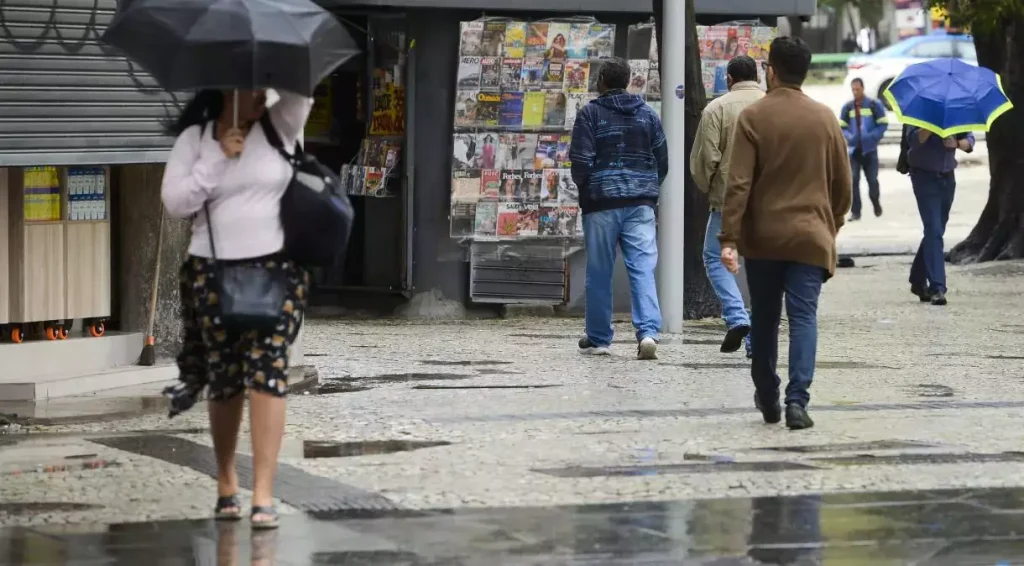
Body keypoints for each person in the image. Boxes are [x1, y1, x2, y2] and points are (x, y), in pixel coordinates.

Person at [160, 88, 313, 529]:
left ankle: (263, 491)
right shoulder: (197, 137)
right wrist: (217, 158)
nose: (256, 96)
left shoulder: (281, 125)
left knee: (269, 371)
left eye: (261, 86)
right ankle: (226, 478)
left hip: (276, 270)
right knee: (226, 377)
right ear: (223, 89)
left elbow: (302, 90)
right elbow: (175, 204)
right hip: (212, 273)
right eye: (246, 87)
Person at [720, 37, 852, 430]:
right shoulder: (826, 118)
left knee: (763, 318)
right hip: (811, 238)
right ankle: (798, 400)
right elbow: (842, 186)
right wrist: (832, 225)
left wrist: (729, 238)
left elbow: (738, 183)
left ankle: (768, 393)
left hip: (764, 239)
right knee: (804, 317)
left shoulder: (754, 118)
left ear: (771, 70)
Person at [570, 56, 669, 360]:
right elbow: (662, 159)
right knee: (642, 268)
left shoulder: (590, 114)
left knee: (599, 271)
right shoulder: (647, 115)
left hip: (601, 203)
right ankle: (648, 333)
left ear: (601, 81)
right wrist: (648, 190)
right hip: (640, 203)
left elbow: (581, 161)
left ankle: (600, 339)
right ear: (628, 81)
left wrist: (586, 189)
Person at [690, 55, 764, 356]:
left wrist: (710, 188)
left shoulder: (716, 108)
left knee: (714, 256)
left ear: (729, 79)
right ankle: (755, 339)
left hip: (728, 200)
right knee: (764, 267)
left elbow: (705, 160)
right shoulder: (771, 105)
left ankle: (736, 317)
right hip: (768, 201)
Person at [905, 127, 974, 306]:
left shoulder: (955, 113)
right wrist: (930, 126)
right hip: (923, 177)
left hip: (947, 178)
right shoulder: (921, 111)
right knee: (934, 229)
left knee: (936, 230)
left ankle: (917, 278)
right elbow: (913, 140)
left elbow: (969, 141)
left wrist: (956, 143)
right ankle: (937, 287)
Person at [839, 78, 888, 220]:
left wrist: (872, 137)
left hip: (870, 150)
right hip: (854, 151)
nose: (855, 92)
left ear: (863, 88)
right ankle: (856, 212)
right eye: (853, 90)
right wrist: (849, 136)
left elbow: (883, 125)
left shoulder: (874, 105)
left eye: (857, 89)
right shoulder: (848, 107)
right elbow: (842, 126)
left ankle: (875, 202)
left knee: (872, 180)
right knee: (853, 181)